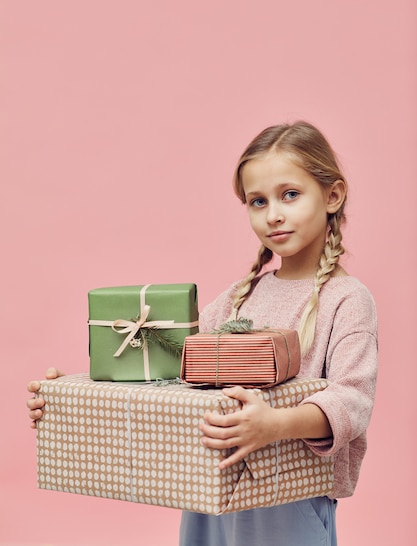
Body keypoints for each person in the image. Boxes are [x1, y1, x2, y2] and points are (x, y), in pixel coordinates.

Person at [27, 121, 378, 546]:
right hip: (212, 489)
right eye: (257, 201)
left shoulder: (346, 299)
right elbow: (173, 372)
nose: (273, 214)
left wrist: (274, 425)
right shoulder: (238, 298)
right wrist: (73, 397)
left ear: (332, 195)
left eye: (290, 194)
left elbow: (351, 401)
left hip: (290, 499)